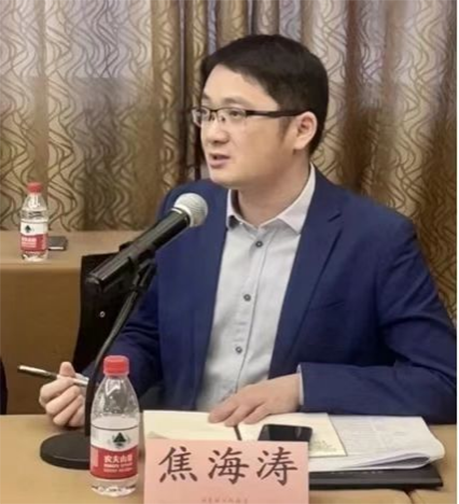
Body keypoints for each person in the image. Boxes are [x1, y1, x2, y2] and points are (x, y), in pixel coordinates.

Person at [39, 34, 456, 428]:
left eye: (236, 115)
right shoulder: (187, 212)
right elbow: (148, 332)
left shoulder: (376, 238)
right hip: (184, 447)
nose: (213, 133)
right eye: (207, 113)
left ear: (301, 129)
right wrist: (101, 385)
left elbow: (443, 381)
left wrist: (302, 388)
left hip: (295, 459)